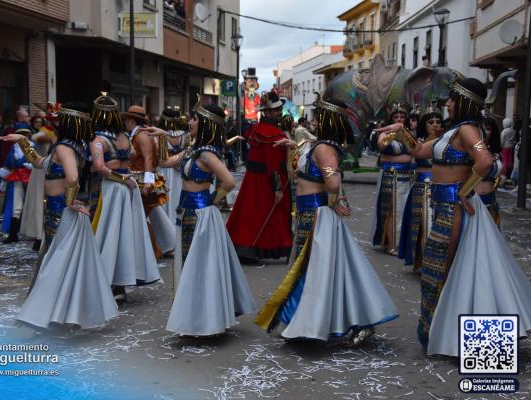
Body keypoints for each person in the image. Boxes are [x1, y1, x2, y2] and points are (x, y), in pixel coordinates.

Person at [379, 77, 531, 357]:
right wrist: (401, 131)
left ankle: (459, 339)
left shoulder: (469, 130)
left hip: (455, 209)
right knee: (446, 273)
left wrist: (465, 191)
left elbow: (486, 162)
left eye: (451, 99)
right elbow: (421, 151)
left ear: (463, 102)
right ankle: (449, 336)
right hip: (445, 207)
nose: (447, 104)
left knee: (447, 272)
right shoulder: (455, 131)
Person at [254, 94, 398, 344]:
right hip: (312, 213)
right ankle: (320, 320)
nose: (316, 120)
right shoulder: (320, 144)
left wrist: (336, 196)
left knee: (312, 269)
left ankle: (308, 321)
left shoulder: (325, 148)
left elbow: (332, 183)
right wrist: (291, 145)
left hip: (317, 215)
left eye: (320, 116)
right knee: (327, 269)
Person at [1, 103, 119, 330]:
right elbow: (38, 162)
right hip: (65, 211)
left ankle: (46, 314)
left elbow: (73, 178)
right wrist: (22, 140)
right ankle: (61, 314)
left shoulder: (65, 147)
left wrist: (69, 202)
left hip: (60, 211)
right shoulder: (74, 146)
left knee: (54, 260)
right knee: (64, 261)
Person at [166, 98, 256, 336]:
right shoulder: (193, 149)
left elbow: (227, 181)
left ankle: (205, 321)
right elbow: (165, 161)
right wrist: (157, 137)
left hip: (200, 216)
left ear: (205, 123)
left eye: (194, 119)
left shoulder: (207, 155)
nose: (190, 122)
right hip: (186, 213)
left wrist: (211, 201)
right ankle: (193, 318)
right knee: (189, 266)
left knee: (201, 268)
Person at [90, 96, 161, 302]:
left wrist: (147, 181)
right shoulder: (125, 137)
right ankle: (117, 283)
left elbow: (100, 167)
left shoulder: (103, 140)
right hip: (127, 186)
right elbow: (129, 158)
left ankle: (108, 281)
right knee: (123, 232)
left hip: (115, 188)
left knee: (109, 232)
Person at [226, 91, 293, 262]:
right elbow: (273, 166)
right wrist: (278, 189)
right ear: (268, 112)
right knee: (261, 215)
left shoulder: (257, 130)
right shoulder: (272, 135)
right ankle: (251, 249)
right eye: (277, 110)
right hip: (265, 182)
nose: (280, 113)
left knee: (250, 214)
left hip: (253, 180)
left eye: (280, 110)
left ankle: (245, 247)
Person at [397, 100, 442, 271]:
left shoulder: (447, 141)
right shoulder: (419, 142)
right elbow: (413, 155)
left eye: (438, 121)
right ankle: (422, 261)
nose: (435, 125)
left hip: (440, 187)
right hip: (421, 187)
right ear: (425, 124)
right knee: (423, 224)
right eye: (431, 122)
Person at [123, 105, 169, 259]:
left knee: (139, 218)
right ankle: (151, 253)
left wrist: (149, 183)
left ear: (131, 121)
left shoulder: (141, 136)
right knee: (139, 218)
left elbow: (149, 159)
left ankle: (154, 253)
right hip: (140, 181)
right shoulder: (136, 135)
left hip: (144, 182)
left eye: (126, 120)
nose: (124, 123)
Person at [371, 101, 413, 256]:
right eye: (396, 117)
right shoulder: (385, 134)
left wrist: (395, 157)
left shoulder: (409, 134)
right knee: (390, 210)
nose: (399, 119)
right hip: (390, 177)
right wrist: (394, 133)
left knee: (403, 210)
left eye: (402, 116)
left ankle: (399, 242)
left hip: (407, 178)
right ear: (391, 119)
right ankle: (391, 244)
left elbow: (414, 155)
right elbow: (382, 147)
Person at [20, 124, 57, 250]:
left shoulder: (65, 140)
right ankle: (39, 236)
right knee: (39, 204)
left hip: (56, 177)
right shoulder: (43, 133)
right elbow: (36, 158)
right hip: (41, 172)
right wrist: (22, 141)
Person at [0, 109, 33, 243]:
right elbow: (8, 164)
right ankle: (13, 234)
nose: (22, 137)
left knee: (32, 205)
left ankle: (32, 232)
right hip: (16, 179)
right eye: (20, 134)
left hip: (31, 179)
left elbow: (39, 162)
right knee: (16, 206)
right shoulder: (13, 148)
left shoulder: (32, 147)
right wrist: (2, 179)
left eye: (25, 134)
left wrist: (33, 167)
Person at [476, 113, 502, 226]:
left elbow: (497, 178)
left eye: (488, 129)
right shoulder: (470, 152)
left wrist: (494, 187)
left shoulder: (496, 153)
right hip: (473, 202)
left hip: (491, 202)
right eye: (481, 128)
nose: (484, 132)